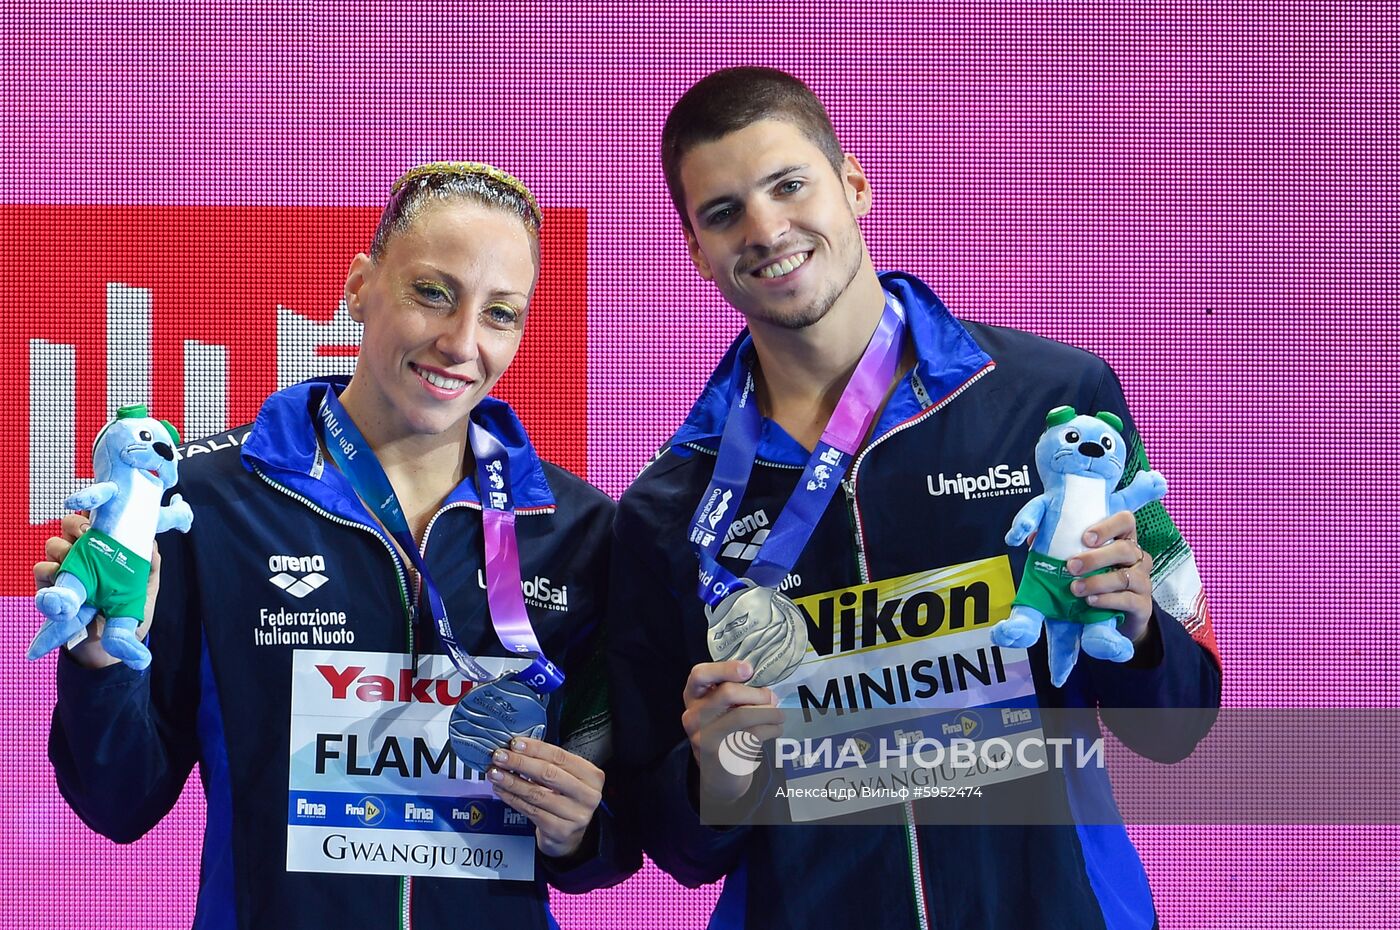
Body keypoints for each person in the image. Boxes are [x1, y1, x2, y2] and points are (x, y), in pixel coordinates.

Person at [607, 68, 1222, 929]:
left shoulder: (1059, 402)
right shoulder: (670, 509)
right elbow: (671, 844)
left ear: (853, 183)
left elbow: (1183, 718)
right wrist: (720, 770)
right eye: (723, 212)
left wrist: (1142, 625)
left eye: (789, 185)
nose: (766, 228)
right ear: (695, 250)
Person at [38, 162, 638, 928]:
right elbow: (116, 803)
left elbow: (614, 837)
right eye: (433, 292)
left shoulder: (576, 528)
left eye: (501, 314)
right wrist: (98, 660)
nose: (461, 342)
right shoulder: (210, 502)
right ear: (360, 285)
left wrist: (583, 827)